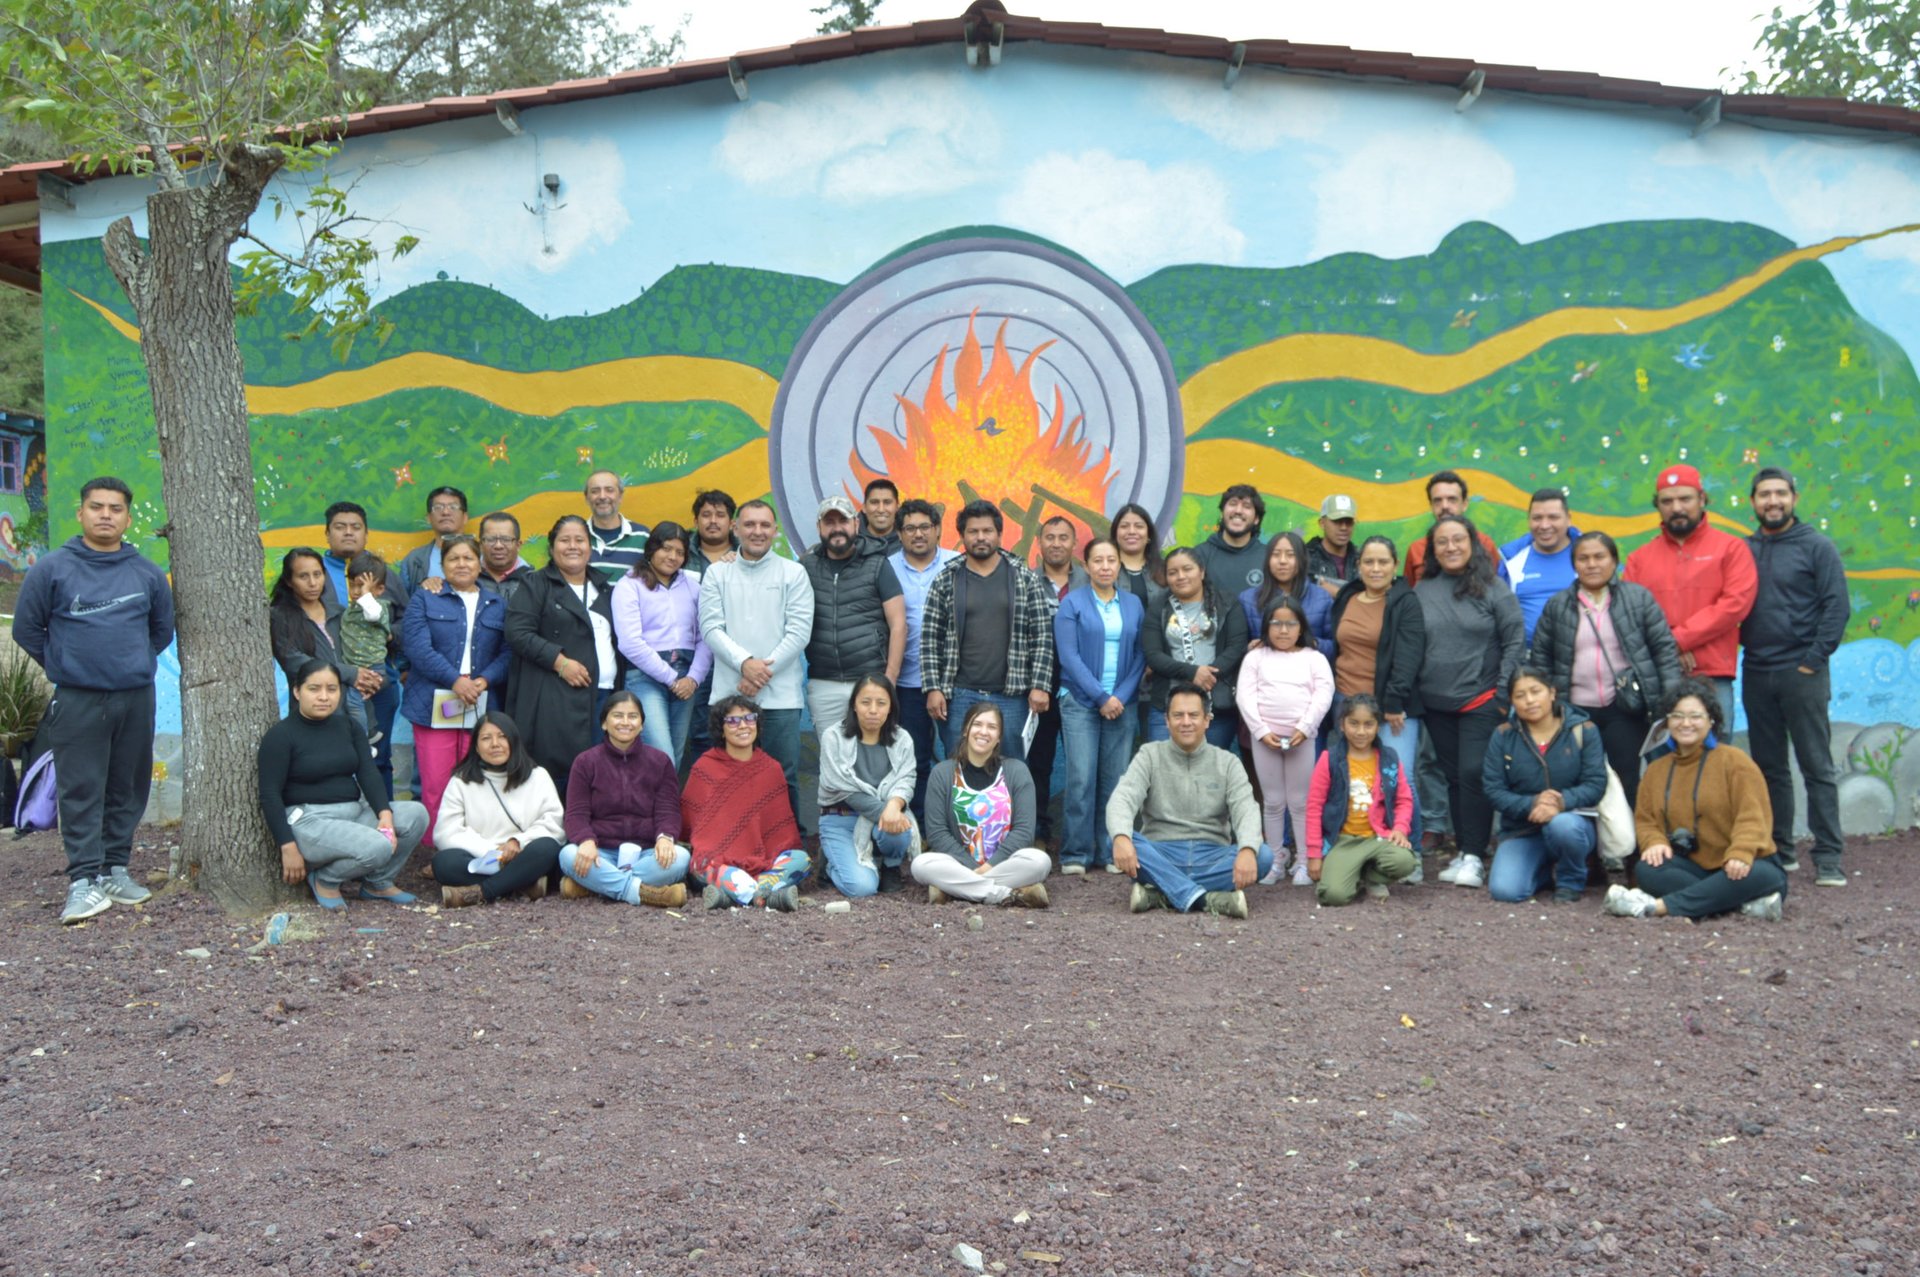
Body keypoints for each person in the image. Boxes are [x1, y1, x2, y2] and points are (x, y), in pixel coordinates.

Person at [16, 476, 176, 925]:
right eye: (96, 506)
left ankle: (115, 870)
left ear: (127, 517)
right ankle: (83, 880)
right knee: (81, 788)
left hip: (135, 698)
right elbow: (26, 629)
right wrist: (67, 665)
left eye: (115, 508)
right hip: (78, 700)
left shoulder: (146, 573)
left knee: (128, 785)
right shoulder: (52, 569)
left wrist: (130, 662)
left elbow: (161, 631)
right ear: (81, 513)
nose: (106, 515)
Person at [1740, 467, 1850, 884]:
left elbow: (1837, 607)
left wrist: (1812, 660)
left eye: (1780, 493)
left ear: (1794, 498)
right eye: (1764, 494)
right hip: (1756, 670)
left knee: (1816, 765)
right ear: (1753, 502)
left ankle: (1829, 857)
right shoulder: (1743, 550)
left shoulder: (1817, 547)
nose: (1773, 501)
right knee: (1769, 768)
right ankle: (1780, 850)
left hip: (1803, 672)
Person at [1604, 679, 1787, 921]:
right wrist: (1654, 842)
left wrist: (1741, 852)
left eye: (1695, 716)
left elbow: (1753, 816)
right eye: (1677, 716)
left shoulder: (1735, 761)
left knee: (1763, 876)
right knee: (1647, 870)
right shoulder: (1656, 770)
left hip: (1743, 864)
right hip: (1692, 868)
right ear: (1667, 722)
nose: (1686, 723)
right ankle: (1740, 905)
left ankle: (1655, 907)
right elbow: (1646, 820)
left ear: (1711, 721)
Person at [257, 659, 429, 911]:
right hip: (309, 821)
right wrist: (287, 846)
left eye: (332, 689)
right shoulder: (281, 736)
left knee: (416, 814)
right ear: (297, 691)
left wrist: (384, 814)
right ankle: (325, 880)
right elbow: (269, 794)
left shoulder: (348, 726)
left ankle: (377, 882)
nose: (323, 697)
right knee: (378, 846)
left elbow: (368, 772)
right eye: (314, 689)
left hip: (353, 812)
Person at [1528, 531, 1681, 809]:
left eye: (1599, 557)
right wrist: (1550, 705)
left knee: (1626, 779)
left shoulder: (1637, 598)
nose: (1591, 564)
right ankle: (1588, 837)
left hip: (1623, 708)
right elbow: (1540, 658)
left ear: (1614, 561)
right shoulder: (1558, 606)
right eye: (1583, 558)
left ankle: (1630, 836)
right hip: (1574, 711)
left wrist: (1669, 700)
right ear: (1574, 564)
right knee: (1579, 781)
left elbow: (1664, 650)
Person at [1416, 515, 1524, 891]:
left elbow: (1514, 640)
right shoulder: (1423, 589)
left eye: (1458, 539)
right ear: (1433, 550)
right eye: (1442, 541)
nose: (1451, 547)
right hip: (1435, 702)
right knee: (1454, 778)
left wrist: (1503, 695)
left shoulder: (1493, 588)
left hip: (1482, 699)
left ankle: (1476, 856)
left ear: (1473, 544)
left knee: (1474, 772)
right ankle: (1464, 850)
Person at [1108, 682, 1272, 918]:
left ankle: (1162, 893)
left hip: (1212, 856)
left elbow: (1246, 809)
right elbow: (1122, 799)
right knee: (1115, 838)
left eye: (1193, 715)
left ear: (1207, 720)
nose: (1186, 722)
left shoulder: (1228, 763)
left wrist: (1247, 848)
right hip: (1161, 853)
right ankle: (1205, 899)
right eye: (1178, 715)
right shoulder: (1149, 755)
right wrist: (1121, 837)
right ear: (1167, 720)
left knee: (1262, 856)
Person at [698, 499, 813, 821]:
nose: (757, 531)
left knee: (782, 776)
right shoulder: (717, 573)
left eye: (764, 525)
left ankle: (789, 844)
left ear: (775, 530)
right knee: (730, 777)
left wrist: (759, 673)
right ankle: (732, 843)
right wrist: (745, 663)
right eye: (749, 524)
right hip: (728, 697)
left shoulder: (794, 573)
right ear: (736, 529)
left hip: (780, 699)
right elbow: (711, 628)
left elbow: (798, 633)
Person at [1623, 463, 1757, 729]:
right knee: (1661, 749)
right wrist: (1669, 647)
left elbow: (1735, 604)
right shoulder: (1639, 559)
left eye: (1685, 499)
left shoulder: (1731, 548)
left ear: (1702, 499)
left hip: (1712, 674)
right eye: (1667, 501)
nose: (1677, 508)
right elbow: (1628, 614)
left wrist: (1678, 640)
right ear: (1658, 505)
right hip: (1657, 675)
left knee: (1715, 748)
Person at [920, 499, 1055, 762]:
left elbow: (1041, 636)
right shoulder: (946, 580)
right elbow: (930, 639)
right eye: (973, 531)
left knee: (1011, 770)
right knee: (958, 769)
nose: (980, 537)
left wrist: (1040, 685)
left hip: (1012, 696)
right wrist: (933, 688)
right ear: (962, 536)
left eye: (987, 531)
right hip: (958, 696)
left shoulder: (1023, 578)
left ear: (999, 534)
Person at [400, 533, 509, 842]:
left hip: (479, 699)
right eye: (453, 558)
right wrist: (455, 680)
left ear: (480, 563)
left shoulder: (497, 604)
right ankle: (437, 849)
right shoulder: (425, 598)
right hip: (433, 700)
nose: (461, 564)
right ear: (443, 564)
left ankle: (473, 845)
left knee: (477, 779)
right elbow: (417, 648)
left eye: (468, 558)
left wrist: (483, 680)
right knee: (437, 783)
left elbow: (508, 653)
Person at [504, 515, 618, 799]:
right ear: (552, 546)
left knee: (598, 772)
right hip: (555, 695)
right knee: (561, 772)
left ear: (590, 546)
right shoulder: (536, 584)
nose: (573, 546)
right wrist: (560, 662)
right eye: (565, 540)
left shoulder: (604, 586)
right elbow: (517, 632)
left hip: (603, 695)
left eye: (580, 540)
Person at [800, 495, 905, 791]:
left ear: (856, 524)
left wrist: (889, 679)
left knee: (875, 763)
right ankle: (834, 820)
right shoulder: (806, 566)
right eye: (829, 522)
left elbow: (898, 624)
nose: (837, 528)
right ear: (819, 527)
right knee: (832, 763)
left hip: (870, 681)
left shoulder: (877, 564)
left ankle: (878, 820)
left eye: (843, 521)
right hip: (824, 682)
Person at [1054, 536, 1145, 875]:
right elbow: (1069, 657)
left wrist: (1119, 696)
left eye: (1111, 560)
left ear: (1119, 564)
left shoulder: (1133, 604)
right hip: (1080, 702)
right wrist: (1101, 697)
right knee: (1080, 778)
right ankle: (1076, 853)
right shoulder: (1072, 603)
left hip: (1123, 703)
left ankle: (1110, 852)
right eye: (1098, 561)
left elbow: (1141, 654)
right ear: (1086, 566)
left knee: (1116, 780)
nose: (1105, 567)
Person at [1482, 667, 1608, 903]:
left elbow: (1595, 784)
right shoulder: (1503, 735)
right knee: (1506, 891)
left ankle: (1570, 880)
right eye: (1520, 695)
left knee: (1563, 826)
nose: (1529, 700)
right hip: (1522, 829)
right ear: (1512, 701)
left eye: (1535, 691)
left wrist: (1560, 803)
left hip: (1572, 822)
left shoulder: (1583, 730)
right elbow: (1494, 790)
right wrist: (1533, 803)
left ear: (1552, 692)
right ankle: (1542, 873)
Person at [555, 691, 691, 908]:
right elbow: (576, 814)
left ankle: (595, 885)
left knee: (681, 857)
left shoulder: (660, 761)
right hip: (600, 851)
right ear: (604, 723)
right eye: (618, 716)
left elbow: (668, 811)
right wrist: (586, 840)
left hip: (646, 852)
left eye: (633, 716)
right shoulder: (585, 762)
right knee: (568, 854)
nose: (625, 722)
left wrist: (665, 837)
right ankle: (645, 893)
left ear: (642, 725)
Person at [911, 700, 1052, 907]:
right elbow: (937, 833)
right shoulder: (942, 773)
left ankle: (956, 890)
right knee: (920, 864)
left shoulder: (1017, 771)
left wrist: (989, 866)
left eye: (992, 727)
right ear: (965, 730)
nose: (983, 732)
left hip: (1006, 863)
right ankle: (1007, 894)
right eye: (977, 724)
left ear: (999, 737)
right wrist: (971, 866)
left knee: (1040, 861)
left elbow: (1024, 832)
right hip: (957, 863)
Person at [1237, 598, 1335, 885]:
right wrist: (1260, 730)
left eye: (1290, 623)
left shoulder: (1313, 658)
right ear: (1266, 626)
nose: (1283, 630)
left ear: (1301, 627)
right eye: (1276, 623)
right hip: (1264, 738)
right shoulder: (1256, 658)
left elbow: (1323, 693)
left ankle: (1304, 860)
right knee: (1273, 801)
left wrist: (1305, 727)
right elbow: (1245, 695)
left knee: (1300, 801)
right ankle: (1276, 858)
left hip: (1301, 738)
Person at [683, 694, 810, 911]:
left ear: (757, 725)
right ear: (721, 729)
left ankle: (738, 895)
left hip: (764, 863)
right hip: (720, 862)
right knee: (701, 865)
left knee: (801, 860)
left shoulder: (771, 769)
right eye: (732, 721)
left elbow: (781, 832)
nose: (742, 725)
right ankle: (765, 897)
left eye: (749, 719)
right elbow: (690, 825)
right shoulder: (704, 768)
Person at [430, 712, 565, 908]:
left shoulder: (538, 776)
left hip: (524, 854)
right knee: (443, 863)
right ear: (476, 747)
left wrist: (517, 842)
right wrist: (493, 853)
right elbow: (446, 832)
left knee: (547, 848)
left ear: (513, 741)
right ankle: (523, 885)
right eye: (486, 738)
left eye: (502, 736)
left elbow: (554, 824)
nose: (495, 744)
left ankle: (483, 892)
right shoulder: (461, 781)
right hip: (483, 858)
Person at [1326, 535, 1427, 783]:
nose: (1375, 568)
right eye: (1369, 562)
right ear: (1359, 565)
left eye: (1383, 562)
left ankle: (1404, 815)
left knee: (1396, 778)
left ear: (1395, 565)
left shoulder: (1405, 602)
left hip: (1390, 706)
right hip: (1346, 701)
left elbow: (1408, 657)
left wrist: (1393, 703)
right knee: (1353, 778)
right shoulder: (1348, 597)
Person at [320, 500, 406, 788]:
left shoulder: (385, 576)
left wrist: (388, 634)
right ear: (327, 533)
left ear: (366, 534)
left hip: (378, 677)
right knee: (331, 757)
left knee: (378, 756)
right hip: (329, 680)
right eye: (340, 527)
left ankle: (383, 813)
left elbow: (407, 620)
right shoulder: (316, 573)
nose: (348, 532)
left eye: (355, 527)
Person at [612, 521, 711, 765]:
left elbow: (706, 637)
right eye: (666, 548)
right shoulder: (629, 585)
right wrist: (671, 678)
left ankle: (662, 794)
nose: (672, 557)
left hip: (687, 679)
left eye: (679, 552)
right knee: (661, 755)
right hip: (645, 677)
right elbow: (629, 642)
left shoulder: (693, 587)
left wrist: (693, 679)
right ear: (652, 549)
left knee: (674, 757)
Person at [1303, 694, 1418, 905]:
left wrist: (1400, 828)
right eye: (1354, 723)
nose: (1361, 731)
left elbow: (1403, 799)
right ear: (1342, 725)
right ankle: (1352, 875)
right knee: (1333, 896)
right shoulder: (1330, 759)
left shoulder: (1389, 758)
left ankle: (1372, 877)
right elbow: (1314, 807)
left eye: (1368, 724)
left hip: (1377, 838)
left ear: (1378, 727)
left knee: (1406, 861)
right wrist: (1314, 854)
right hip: (1344, 841)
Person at [816, 674, 920, 896]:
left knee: (899, 830)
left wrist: (895, 805)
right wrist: (888, 811)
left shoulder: (902, 738)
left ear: (890, 707)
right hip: (840, 819)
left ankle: (890, 866)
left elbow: (906, 779)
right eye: (865, 702)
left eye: (881, 703)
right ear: (854, 705)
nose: (873, 710)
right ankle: (831, 864)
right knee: (862, 888)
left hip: (880, 820)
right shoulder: (833, 737)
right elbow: (840, 786)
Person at [890, 498, 960, 821]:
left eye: (924, 527)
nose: (918, 534)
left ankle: (956, 826)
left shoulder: (956, 565)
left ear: (937, 530)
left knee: (959, 756)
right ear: (899, 534)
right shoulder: (887, 568)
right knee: (914, 759)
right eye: (910, 528)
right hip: (905, 683)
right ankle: (919, 826)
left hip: (952, 681)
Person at [1145, 545, 1247, 746]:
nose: (1180, 576)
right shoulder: (1158, 606)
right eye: (1173, 572)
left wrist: (1208, 675)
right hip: (1167, 705)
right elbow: (1153, 654)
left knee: (1211, 766)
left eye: (1187, 569)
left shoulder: (1226, 603)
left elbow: (1236, 646)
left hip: (1215, 706)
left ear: (1201, 571)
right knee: (1164, 765)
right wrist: (1193, 673)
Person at [1025, 513, 1086, 844]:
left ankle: (1082, 838)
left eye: (1064, 537)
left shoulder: (1090, 581)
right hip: (1039, 685)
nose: (1057, 543)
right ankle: (1038, 832)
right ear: (1039, 543)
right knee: (1038, 763)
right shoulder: (1025, 581)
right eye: (1050, 537)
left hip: (1082, 686)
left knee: (1082, 764)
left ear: (1074, 543)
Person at [682, 490, 739, 763]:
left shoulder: (746, 556)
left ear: (732, 522)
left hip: (736, 656)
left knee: (739, 725)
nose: (713, 521)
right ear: (696, 521)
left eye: (720, 515)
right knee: (700, 732)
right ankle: (703, 784)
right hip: (693, 658)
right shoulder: (680, 555)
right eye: (706, 515)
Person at [1498, 488, 1582, 641]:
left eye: (1553, 517)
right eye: (1537, 518)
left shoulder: (1586, 556)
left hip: (1579, 653)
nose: (1544, 525)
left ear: (1568, 519)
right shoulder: (1511, 562)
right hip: (1526, 654)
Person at [1239, 530, 1333, 661]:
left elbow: (1335, 647)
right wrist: (1249, 648)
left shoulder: (1322, 598)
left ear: (1302, 559)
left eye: (1290, 555)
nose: (1282, 561)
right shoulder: (1247, 599)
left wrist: (1311, 643)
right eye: (1276, 554)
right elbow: (1235, 647)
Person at [337, 550, 394, 741]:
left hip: (371, 667)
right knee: (361, 701)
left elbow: (373, 615)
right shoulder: (353, 609)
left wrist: (366, 594)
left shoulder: (378, 607)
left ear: (379, 589)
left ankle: (362, 740)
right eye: (352, 585)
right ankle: (371, 732)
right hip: (356, 666)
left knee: (354, 702)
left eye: (361, 586)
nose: (356, 591)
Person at [1402, 472, 1498, 580]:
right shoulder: (1416, 550)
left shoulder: (1485, 544)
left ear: (1465, 504)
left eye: (1452, 499)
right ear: (1431, 506)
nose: (1444, 506)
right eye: (1437, 500)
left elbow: (1496, 586)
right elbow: (1410, 589)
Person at [1191, 483, 1268, 594]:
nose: (1238, 510)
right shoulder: (1200, 555)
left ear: (1256, 519)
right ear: (1222, 513)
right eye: (1233, 504)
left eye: (1246, 506)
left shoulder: (1268, 557)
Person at [399, 486, 469, 592]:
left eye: (453, 507)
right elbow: (403, 600)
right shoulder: (414, 560)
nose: (446, 512)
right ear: (428, 518)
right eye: (438, 507)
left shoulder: (482, 556)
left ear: (465, 517)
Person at [584, 468, 649, 581]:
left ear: (620, 496)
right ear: (586, 498)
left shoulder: (643, 537)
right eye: (595, 491)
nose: (602, 496)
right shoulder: (576, 537)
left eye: (609, 490)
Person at [476, 512, 534, 601]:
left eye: (506, 539)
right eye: (491, 539)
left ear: (518, 545)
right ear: (480, 545)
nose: (498, 546)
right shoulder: (467, 577)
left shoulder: (533, 581)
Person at [1306, 494, 1358, 589]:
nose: (1344, 527)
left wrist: (1337, 593)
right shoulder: (1304, 559)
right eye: (1337, 521)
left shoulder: (1362, 560)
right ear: (1322, 523)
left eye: (1349, 521)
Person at [859, 477, 901, 554]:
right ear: (864, 507)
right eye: (874, 502)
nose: (881, 510)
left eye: (887, 502)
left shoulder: (908, 542)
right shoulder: (851, 542)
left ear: (897, 507)